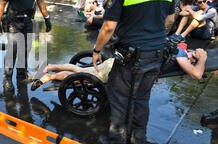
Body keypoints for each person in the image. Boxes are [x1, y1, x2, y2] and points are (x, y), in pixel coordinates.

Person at [92, 0, 176, 144]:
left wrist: (97, 50)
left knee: (120, 99)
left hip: (131, 55)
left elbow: (109, 27)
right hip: (156, 53)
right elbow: (169, 21)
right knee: (141, 99)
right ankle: (139, 143)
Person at [31, 43, 207, 91]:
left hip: (117, 64)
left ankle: (52, 66)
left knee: (81, 70)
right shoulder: (181, 55)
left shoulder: (175, 49)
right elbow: (197, 75)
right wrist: (203, 58)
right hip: (117, 69)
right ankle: (51, 76)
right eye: (193, 57)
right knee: (82, 74)